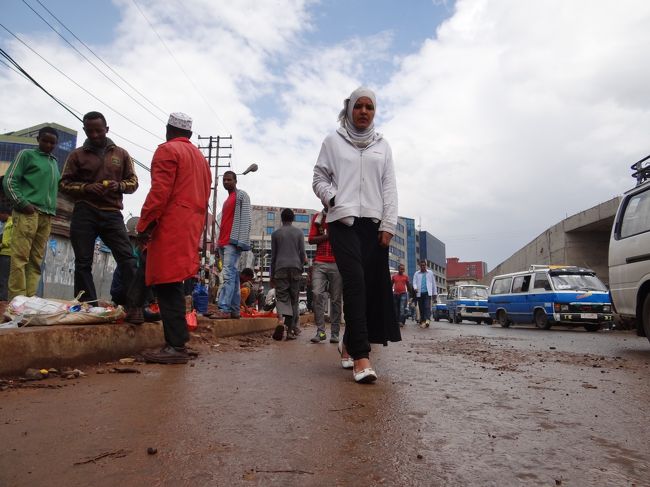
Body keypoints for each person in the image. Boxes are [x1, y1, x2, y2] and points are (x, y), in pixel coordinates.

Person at [313, 86, 400, 384]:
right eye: (359, 106)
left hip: (374, 226)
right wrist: (332, 198)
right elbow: (318, 177)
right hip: (343, 223)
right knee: (355, 283)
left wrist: (389, 224)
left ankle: (348, 343)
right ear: (349, 109)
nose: (364, 112)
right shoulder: (333, 141)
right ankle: (362, 356)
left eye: (369, 107)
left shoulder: (383, 146)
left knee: (369, 287)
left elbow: (389, 186)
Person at [136, 112, 211, 364]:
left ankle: (175, 345)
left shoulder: (168, 151)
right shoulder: (200, 158)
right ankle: (173, 337)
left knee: (167, 284)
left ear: (168, 129)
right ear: (189, 134)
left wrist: (145, 223)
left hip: (170, 224)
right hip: (190, 226)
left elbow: (159, 192)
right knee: (170, 281)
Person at [60, 112, 141, 320]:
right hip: (84, 211)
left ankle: (134, 307)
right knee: (83, 262)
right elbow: (64, 184)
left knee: (128, 259)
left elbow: (133, 182)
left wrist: (119, 185)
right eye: (90, 130)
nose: (95, 134)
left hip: (112, 213)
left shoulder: (121, 154)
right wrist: (87, 188)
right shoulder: (76, 155)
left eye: (99, 130)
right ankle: (88, 307)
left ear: (107, 129)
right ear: (85, 130)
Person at [3, 126, 60, 299]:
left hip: (47, 216)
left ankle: (29, 299)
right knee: (20, 258)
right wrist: (22, 203)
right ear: (38, 139)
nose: (49, 145)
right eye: (45, 140)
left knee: (36, 261)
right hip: (28, 212)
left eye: (52, 142)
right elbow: (10, 180)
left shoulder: (54, 162)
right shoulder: (26, 155)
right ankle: (17, 300)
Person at [212, 171, 251, 319]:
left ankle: (224, 309)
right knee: (233, 278)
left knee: (227, 276)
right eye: (224, 180)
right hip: (223, 242)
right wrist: (217, 244)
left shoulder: (241, 196)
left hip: (232, 242)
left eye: (229, 179)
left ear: (235, 181)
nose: (226, 182)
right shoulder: (227, 200)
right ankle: (234, 310)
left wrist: (241, 241)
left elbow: (247, 218)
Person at [308, 207, 343, 343]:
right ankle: (321, 332)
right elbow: (311, 239)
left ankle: (334, 333)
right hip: (320, 262)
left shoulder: (341, 217)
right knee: (316, 294)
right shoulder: (318, 218)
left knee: (336, 299)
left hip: (337, 262)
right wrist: (328, 236)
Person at [270, 208, 306, 341]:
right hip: (296, 267)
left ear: (281, 218)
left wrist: (272, 275)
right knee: (294, 300)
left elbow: (273, 256)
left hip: (280, 268)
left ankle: (281, 322)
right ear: (293, 219)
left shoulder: (275, 234)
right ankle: (291, 330)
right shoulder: (299, 233)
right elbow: (302, 253)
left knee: (282, 298)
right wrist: (301, 267)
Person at [413, 260, 437, 328]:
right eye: (421, 265)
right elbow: (414, 282)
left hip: (427, 293)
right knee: (421, 308)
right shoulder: (416, 273)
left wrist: (434, 293)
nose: (423, 266)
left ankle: (427, 320)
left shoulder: (430, 273)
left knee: (427, 306)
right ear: (420, 266)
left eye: (424, 265)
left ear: (426, 265)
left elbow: (433, 283)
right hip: (419, 293)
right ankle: (423, 320)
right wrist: (415, 288)